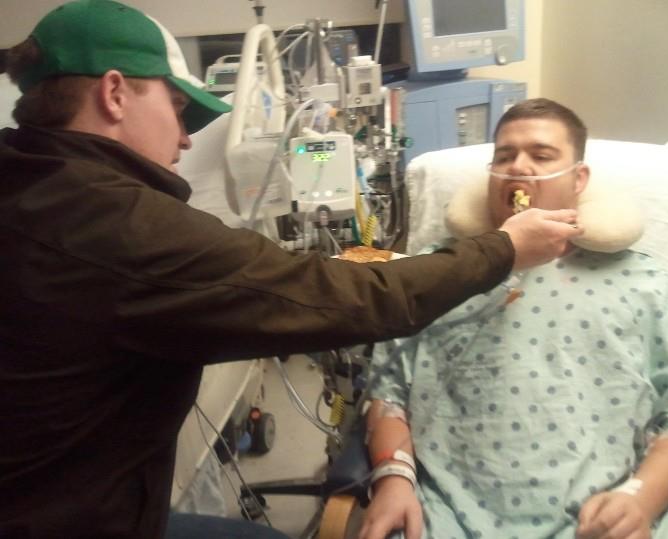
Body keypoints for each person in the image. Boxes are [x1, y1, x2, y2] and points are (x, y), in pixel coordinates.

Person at [0, 2, 584, 539]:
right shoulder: (117, 226)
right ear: (115, 93)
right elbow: (354, 304)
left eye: (543, 157)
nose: (183, 137)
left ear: (580, 179)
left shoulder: (25, 181)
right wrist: (502, 249)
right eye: (177, 109)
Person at [360, 98, 668, 539]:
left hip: (605, 520)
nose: (519, 168)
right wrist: (394, 481)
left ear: (578, 179)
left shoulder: (644, 285)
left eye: (542, 156)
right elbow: (388, 392)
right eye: (505, 157)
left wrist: (641, 500)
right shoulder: (433, 276)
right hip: (443, 517)